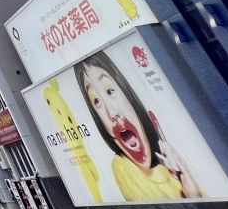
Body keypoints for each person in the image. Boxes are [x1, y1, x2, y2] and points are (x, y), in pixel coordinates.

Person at [74, 51, 203, 201]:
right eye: (97, 102)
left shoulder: (173, 165)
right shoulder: (122, 168)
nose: (112, 113)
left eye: (110, 91)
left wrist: (194, 194)